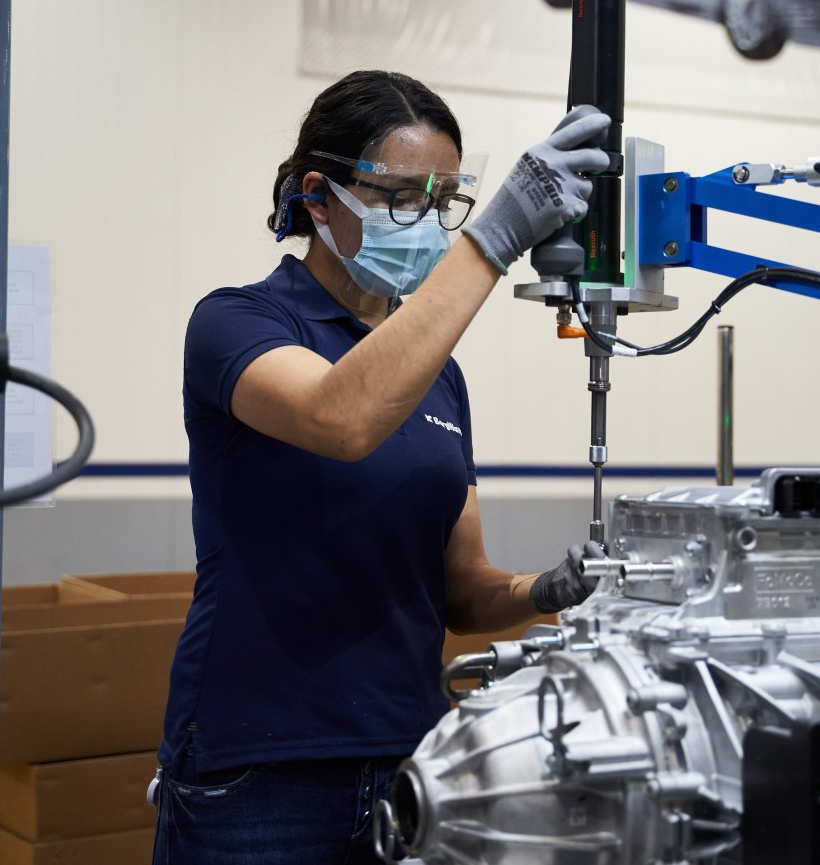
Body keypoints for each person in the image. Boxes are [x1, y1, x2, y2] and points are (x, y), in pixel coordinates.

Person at [152, 70, 611, 864]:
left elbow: (461, 590)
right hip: (261, 768)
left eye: (444, 204)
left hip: (411, 760)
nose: (427, 225)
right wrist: (493, 240)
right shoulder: (238, 323)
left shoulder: (439, 375)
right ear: (318, 196)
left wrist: (548, 590)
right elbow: (341, 416)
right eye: (402, 199)